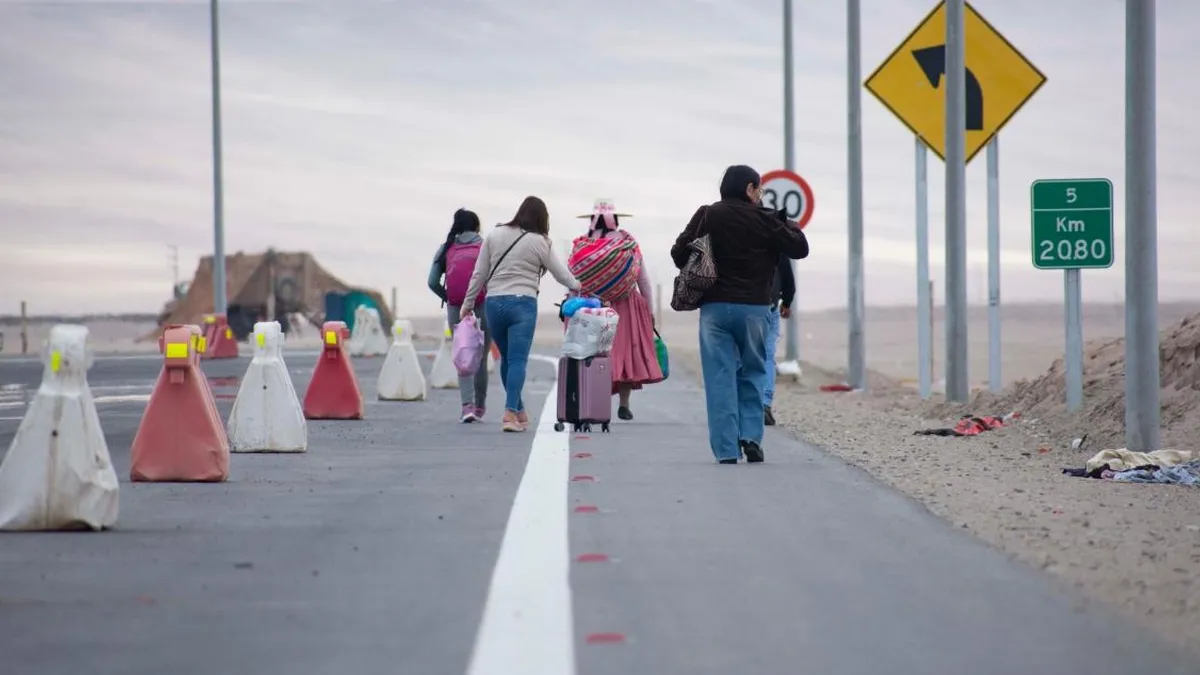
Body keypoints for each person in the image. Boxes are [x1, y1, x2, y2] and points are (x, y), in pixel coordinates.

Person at [670, 165, 809, 464]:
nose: (760, 195)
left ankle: (726, 450)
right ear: (749, 188)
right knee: (754, 372)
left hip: (715, 309)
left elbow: (678, 254)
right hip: (755, 310)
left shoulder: (708, 214)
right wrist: (785, 222)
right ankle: (751, 437)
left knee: (719, 377)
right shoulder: (766, 218)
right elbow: (800, 248)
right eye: (759, 189)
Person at [461, 196, 580, 432]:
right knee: (517, 360)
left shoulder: (495, 235)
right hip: (522, 304)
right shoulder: (540, 242)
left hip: (494, 303)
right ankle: (509, 414)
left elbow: (479, 273)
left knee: (507, 359)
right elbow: (561, 275)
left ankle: (518, 409)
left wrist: (468, 302)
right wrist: (579, 286)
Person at [568, 200, 664, 420]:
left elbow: (573, 279)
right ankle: (624, 403)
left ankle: (595, 404)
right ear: (616, 221)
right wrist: (649, 311)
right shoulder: (628, 244)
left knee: (593, 353)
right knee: (625, 353)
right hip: (626, 306)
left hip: (591, 307)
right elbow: (643, 280)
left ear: (593, 221)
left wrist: (570, 305)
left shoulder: (582, 246)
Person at [427, 208, 492, 423]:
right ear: (476, 226)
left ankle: (467, 407)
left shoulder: (447, 248)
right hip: (482, 304)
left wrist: (448, 298)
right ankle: (480, 407)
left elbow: (431, 282)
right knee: (481, 357)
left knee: (463, 354)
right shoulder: (485, 246)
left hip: (456, 308)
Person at [763, 254, 796, 426]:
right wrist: (787, 302)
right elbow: (787, 276)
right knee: (767, 356)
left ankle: (742, 405)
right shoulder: (776, 238)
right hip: (769, 304)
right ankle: (765, 403)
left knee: (740, 355)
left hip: (741, 303)